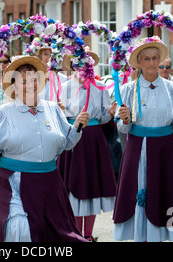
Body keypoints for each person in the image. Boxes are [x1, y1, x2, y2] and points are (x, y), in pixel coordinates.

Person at [0, 55, 90, 242]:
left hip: (49, 184)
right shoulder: (4, 112)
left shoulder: (53, 109)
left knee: (52, 234)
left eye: (33, 79)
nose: (30, 84)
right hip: (15, 183)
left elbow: (67, 143)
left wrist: (78, 126)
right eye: (23, 80)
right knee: (18, 229)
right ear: (13, 86)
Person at [113, 36, 173, 242]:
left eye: (155, 58)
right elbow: (123, 127)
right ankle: (141, 236)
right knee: (139, 192)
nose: (152, 63)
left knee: (166, 193)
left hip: (165, 150)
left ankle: (162, 235)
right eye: (147, 59)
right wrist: (124, 120)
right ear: (139, 63)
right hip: (138, 149)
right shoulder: (128, 89)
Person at [58, 51, 117, 241]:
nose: (82, 67)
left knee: (92, 185)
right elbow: (62, 115)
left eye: (86, 63)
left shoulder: (100, 86)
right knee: (75, 184)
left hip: (94, 139)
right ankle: (76, 234)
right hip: (74, 136)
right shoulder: (65, 87)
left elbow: (104, 117)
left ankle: (89, 235)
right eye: (78, 63)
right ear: (73, 65)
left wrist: (111, 112)